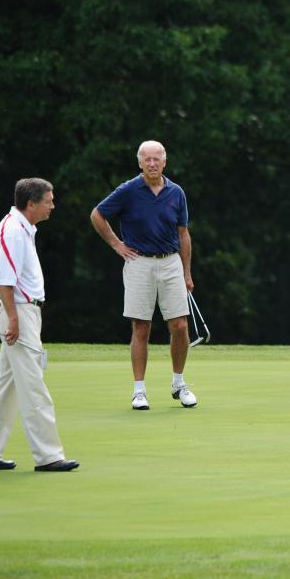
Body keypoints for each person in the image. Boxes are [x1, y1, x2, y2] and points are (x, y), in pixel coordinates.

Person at [0, 178, 79, 472]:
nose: (53, 205)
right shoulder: (13, 231)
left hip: (24, 312)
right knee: (33, 384)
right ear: (31, 204)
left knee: (7, 383)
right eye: (49, 201)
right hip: (16, 312)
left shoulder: (24, 229)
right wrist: (14, 320)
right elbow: (4, 281)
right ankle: (49, 456)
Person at [90, 140, 197, 411]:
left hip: (171, 261)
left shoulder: (176, 192)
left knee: (180, 326)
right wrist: (116, 244)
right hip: (139, 262)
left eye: (156, 159)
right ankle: (139, 390)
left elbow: (183, 234)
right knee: (141, 327)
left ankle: (178, 383)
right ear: (139, 162)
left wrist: (186, 272)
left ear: (164, 161)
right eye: (146, 159)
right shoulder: (128, 190)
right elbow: (98, 215)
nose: (151, 163)